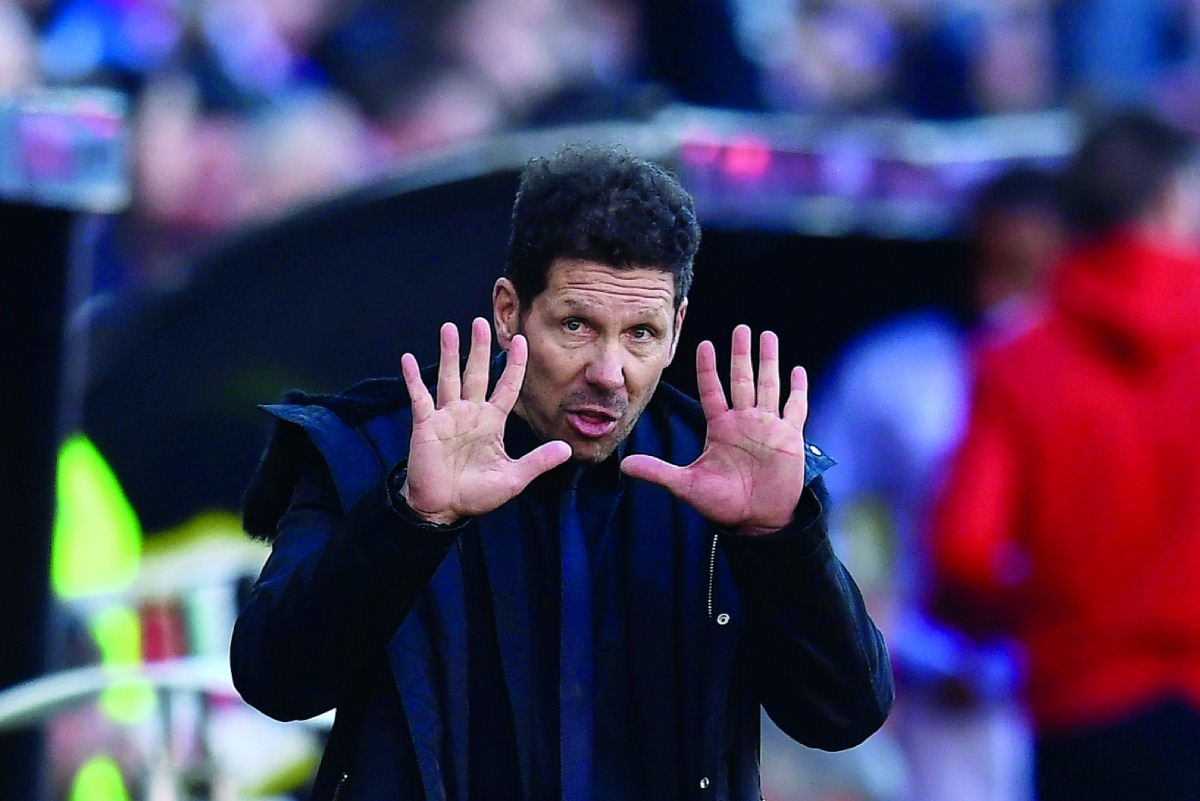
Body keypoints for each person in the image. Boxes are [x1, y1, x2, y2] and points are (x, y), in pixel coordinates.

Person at [230, 145, 893, 801]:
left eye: (641, 333)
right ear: (510, 309)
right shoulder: (369, 451)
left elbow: (843, 715)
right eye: (576, 325)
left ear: (678, 327)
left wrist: (780, 542)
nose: (609, 373)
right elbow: (275, 680)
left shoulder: (723, 472)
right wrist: (410, 518)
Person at [930, 110, 1200, 801]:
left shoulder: (1018, 363)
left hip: (1081, 713)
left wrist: (1051, 617)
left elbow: (963, 550)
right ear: (1173, 200)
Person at [808, 165, 1064, 801]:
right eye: (991, 263)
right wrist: (870, 629)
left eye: (1029, 267)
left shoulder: (1106, 381)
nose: (1001, 290)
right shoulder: (902, 367)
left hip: (1070, 684)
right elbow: (813, 510)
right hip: (939, 687)